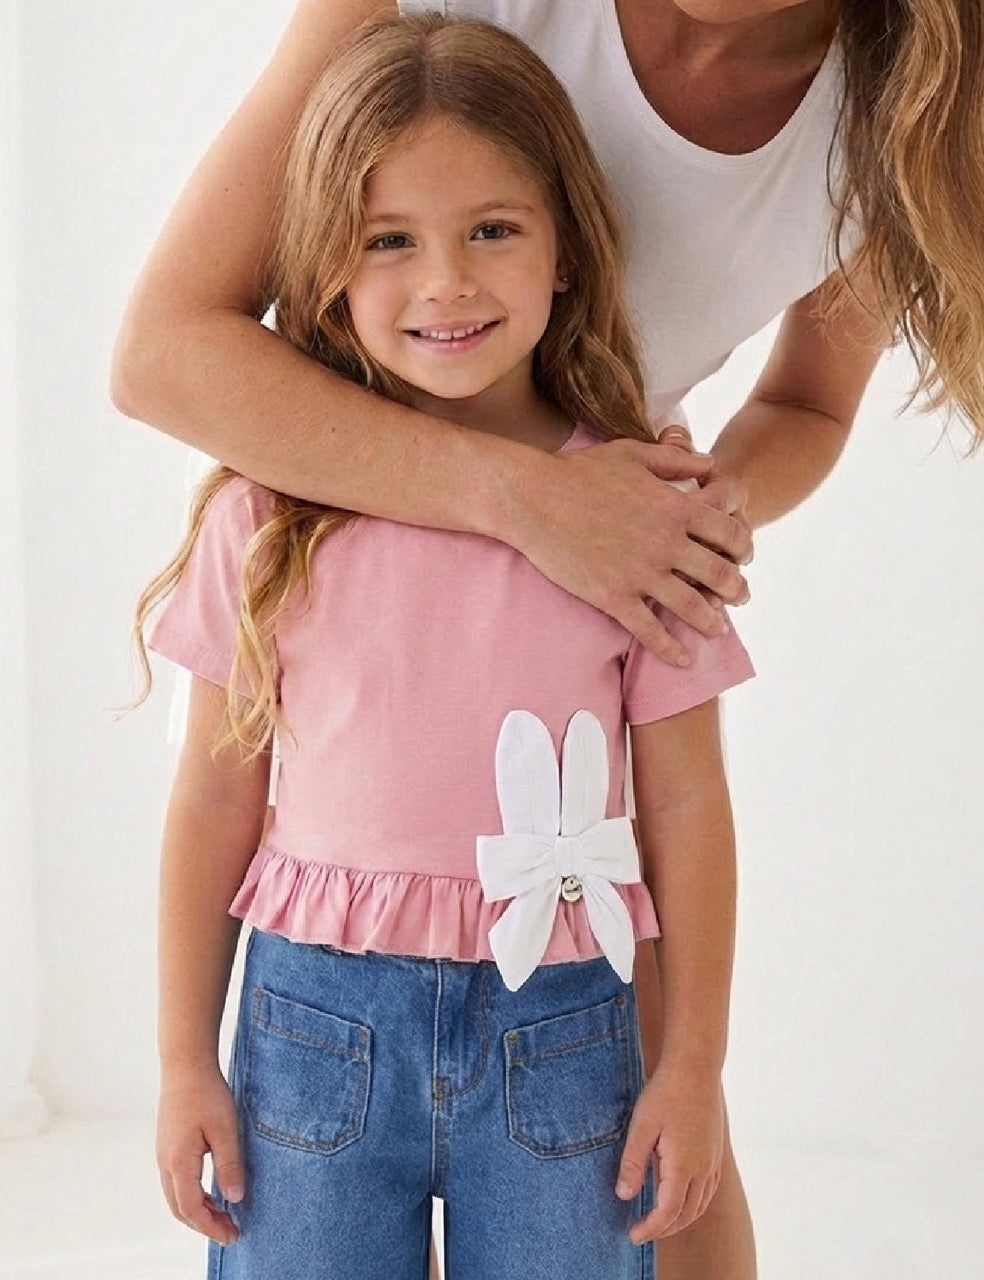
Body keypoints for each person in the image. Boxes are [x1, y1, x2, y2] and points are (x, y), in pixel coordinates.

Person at [111, 3, 984, 1277]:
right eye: (389, 241)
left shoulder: (901, 111)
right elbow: (162, 360)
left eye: (492, 234)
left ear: (567, 250)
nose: (445, 279)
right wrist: (184, 1056)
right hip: (321, 1013)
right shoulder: (268, 529)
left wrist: (680, 523)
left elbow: (799, 406)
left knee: (668, 1186)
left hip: (567, 898)